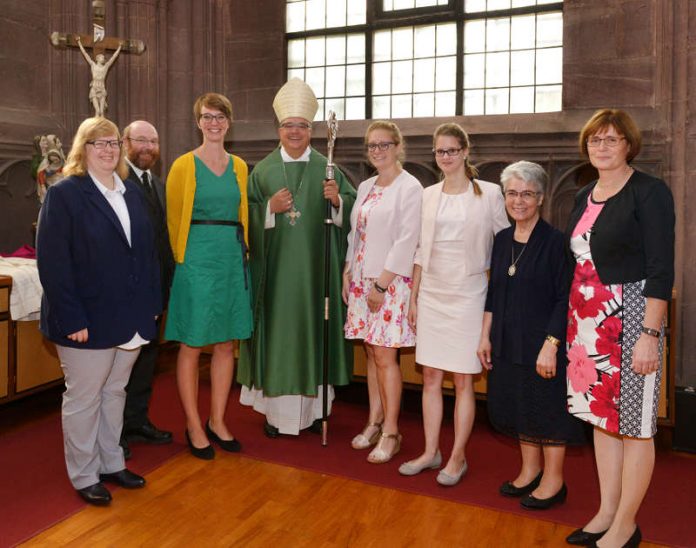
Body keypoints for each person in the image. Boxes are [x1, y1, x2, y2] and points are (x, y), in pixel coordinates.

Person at [36, 117, 161, 506]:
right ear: (82, 149)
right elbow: (53, 264)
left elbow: (147, 254)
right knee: (85, 398)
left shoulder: (131, 193)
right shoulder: (66, 194)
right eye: (98, 143)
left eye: (112, 143)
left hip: (130, 316)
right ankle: (84, 473)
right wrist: (72, 318)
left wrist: (152, 305)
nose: (108, 150)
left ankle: (111, 461)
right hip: (85, 321)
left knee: (115, 392)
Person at [564, 109, 674, 547]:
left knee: (634, 424)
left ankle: (627, 523)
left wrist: (650, 334)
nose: (602, 147)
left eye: (612, 140)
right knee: (601, 420)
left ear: (629, 145)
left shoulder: (649, 192)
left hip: (630, 319)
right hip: (586, 322)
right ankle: (607, 510)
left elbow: (661, 268)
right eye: (595, 140)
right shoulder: (584, 194)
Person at [237, 78, 356, 437]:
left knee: (313, 333)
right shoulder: (263, 171)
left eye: (302, 126)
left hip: (316, 278)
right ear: (279, 128)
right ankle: (276, 416)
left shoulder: (328, 168)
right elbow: (244, 218)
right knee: (278, 337)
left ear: (311, 129)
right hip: (274, 279)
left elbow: (354, 214)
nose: (295, 132)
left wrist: (337, 202)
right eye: (289, 126)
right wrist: (268, 211)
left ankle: (316, 410)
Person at [398, 123, 509, 485]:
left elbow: (504, 244)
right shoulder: (428, 195)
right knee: (430, 376)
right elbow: (418, 248)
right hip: (432, 293)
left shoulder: (490, 194)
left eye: (451, 150)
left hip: (470, 294)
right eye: (439, 152)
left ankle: (458, 456)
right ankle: (432, 452)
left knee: (463, 379)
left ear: (464, 151)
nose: (445, 157)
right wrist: (413, 296)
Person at [476, 161, 584, 509]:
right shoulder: (502, 238)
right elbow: (493, 292)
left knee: (547, 410)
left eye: (526, 194)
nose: (518, 200)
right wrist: (485, 336)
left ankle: (554, 480)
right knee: (520, 405)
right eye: (512, 193)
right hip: (508, 340)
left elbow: (564, 299)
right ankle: (529, 470)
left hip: (543, 343)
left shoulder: (556, 243)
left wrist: (551, 346)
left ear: (540, 198)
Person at [165, 93, 252, 459]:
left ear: (228, 123)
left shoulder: (240, 166)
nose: (213, 122)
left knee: (226, 343)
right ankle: (193, 423)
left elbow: (244, 213)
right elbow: (172, 219)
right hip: (196, 258)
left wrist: (244, 254)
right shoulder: (183, 165)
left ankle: (217, 419)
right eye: (206, 116)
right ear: (197, 122)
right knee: (191, 342)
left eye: (220, 117)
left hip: (231, 258)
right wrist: (183, 261)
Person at [343, 121, 422, 463]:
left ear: (397, 145)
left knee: (386, 359)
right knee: (373, 355)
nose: (377, 151)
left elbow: (408, 239)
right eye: (372, 145)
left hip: (389, 282)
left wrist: (381, 284)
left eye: (383, 144)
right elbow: (355, 233)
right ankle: (374, 420)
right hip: (362, 279)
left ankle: (392, 431)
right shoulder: (365, 186)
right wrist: (348, 270)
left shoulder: (410, 187)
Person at [119, 121, 175, 458]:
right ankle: (117, 430)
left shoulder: (159, 185)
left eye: (153, 141)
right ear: (125, 142)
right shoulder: (116, 184)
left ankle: (137, 420)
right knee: (122, 364)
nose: (148, 147)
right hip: (127, 292)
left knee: (147, 358)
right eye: (141, 140)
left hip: (156, 292)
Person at [76, 36, 122, 117]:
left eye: (103, 58)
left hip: (102, 88)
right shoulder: (93, 65)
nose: (103, 58)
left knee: (101, 112)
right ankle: (96, 127)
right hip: (94, 88)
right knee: (97, 111)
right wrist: (79, 42)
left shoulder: (106, 67)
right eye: (102, 57)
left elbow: (113, 57)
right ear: (97, 59)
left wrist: (119, 47)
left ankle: (103, 127)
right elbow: (85, 54)